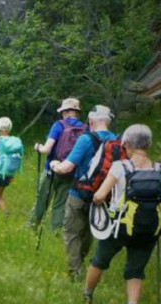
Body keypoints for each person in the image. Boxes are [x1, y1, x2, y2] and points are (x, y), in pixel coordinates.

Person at [84, 124, 161, 304]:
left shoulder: (120, 167)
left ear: (126, 144)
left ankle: (87, 296)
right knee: (136, 271)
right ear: (149, 144)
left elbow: (99, 196)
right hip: (148, 229)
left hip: (118, 228)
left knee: (99, 261)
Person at [51, 105, 117, 279]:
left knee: (72, 231)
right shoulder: (116, 140)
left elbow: (67, 167)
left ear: (91, 121)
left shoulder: (86, 139)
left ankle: (75, 272)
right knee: (88, 231)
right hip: (103, 196)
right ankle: (83, 262)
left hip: (80, 193)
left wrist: (54, 165)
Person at [29, 98, 87, 231]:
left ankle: (32, 227)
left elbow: (46, 149)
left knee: (42, 200)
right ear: (77, 112)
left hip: (52, 169)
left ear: (64, 112)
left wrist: (38, 147)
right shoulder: (85, 128)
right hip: (70, 171)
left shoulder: (59, 125)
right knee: (61, 204)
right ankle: (55, 231)